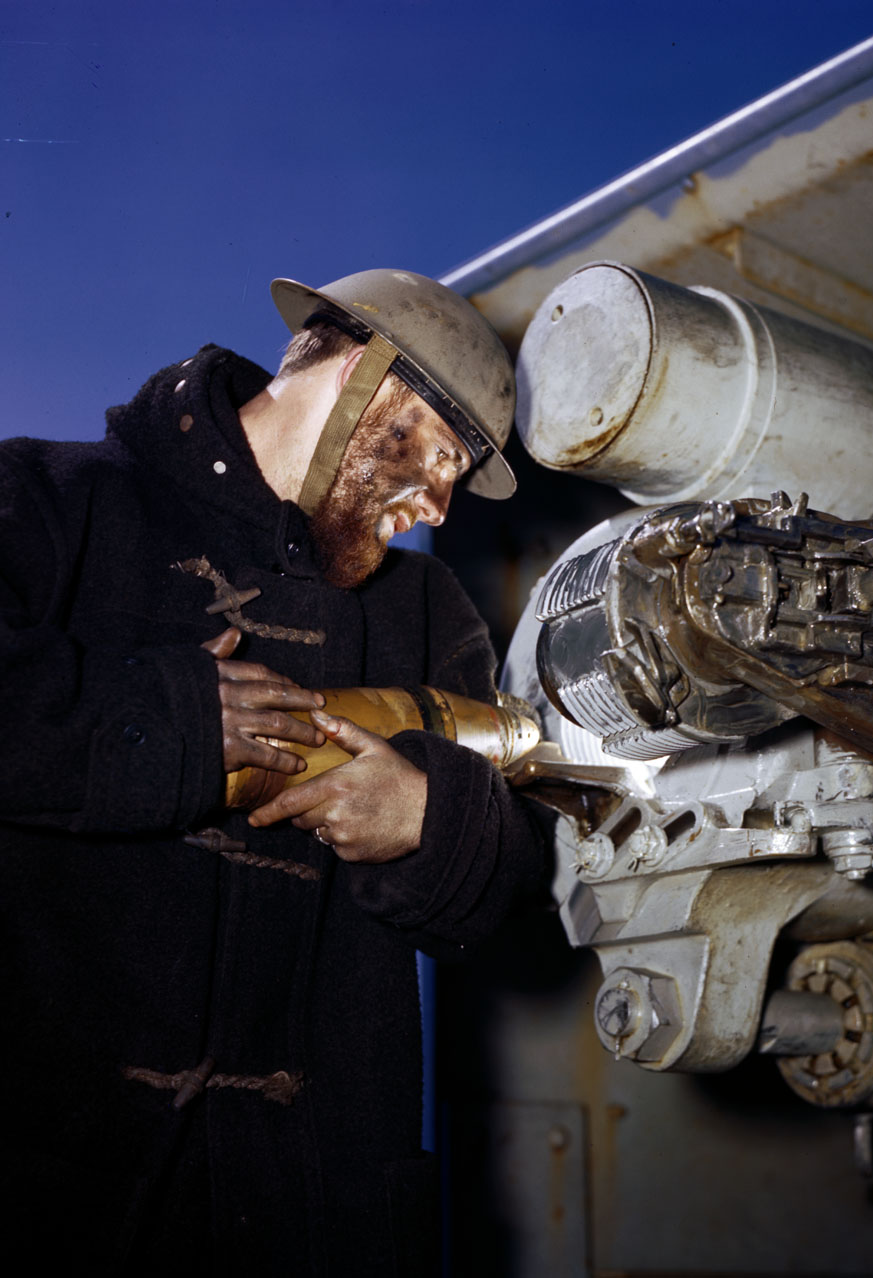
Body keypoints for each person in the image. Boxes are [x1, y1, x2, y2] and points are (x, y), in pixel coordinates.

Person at [0, 270, 551, 1275]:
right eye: (439, 453)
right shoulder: (44, 501)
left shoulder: (426, 612)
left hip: (312, 1215)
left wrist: (429, 820)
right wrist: (161, 722)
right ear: (356, 373)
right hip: (54, 1197)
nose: (439, 504)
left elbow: (515, 870)